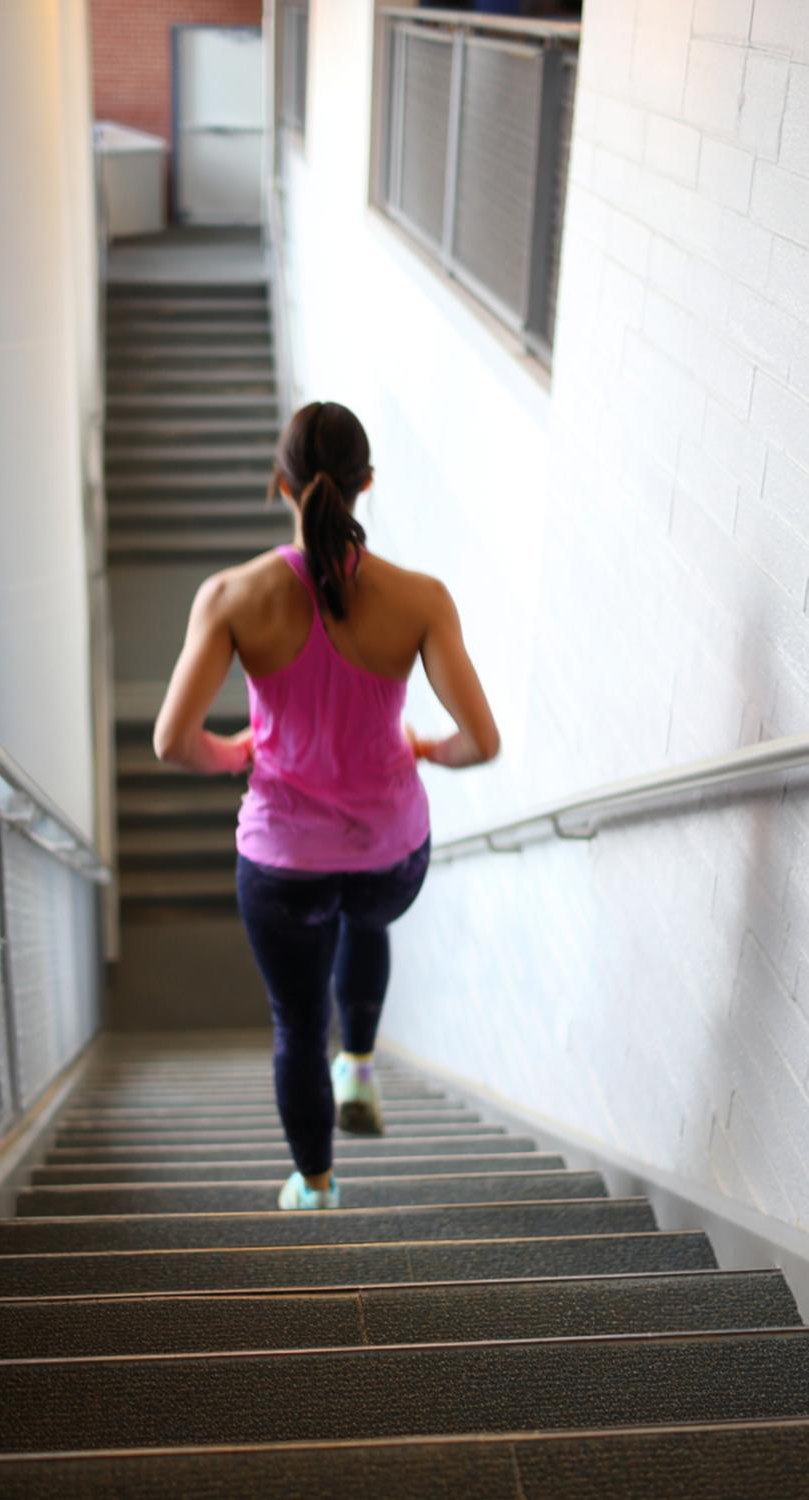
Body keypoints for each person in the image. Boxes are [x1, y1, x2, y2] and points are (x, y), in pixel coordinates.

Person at [154, 401, 500, 1210]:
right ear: (366, 483)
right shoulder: (422, 599)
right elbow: (480, 741)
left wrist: (235, 751)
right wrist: (425, 749)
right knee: (365, 921)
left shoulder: (231, 596)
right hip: (389, 855)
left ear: (281, 485)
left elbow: (173, 741)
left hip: (283, 866)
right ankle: (362, 1068)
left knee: (297, 1026)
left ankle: (316, 1187)